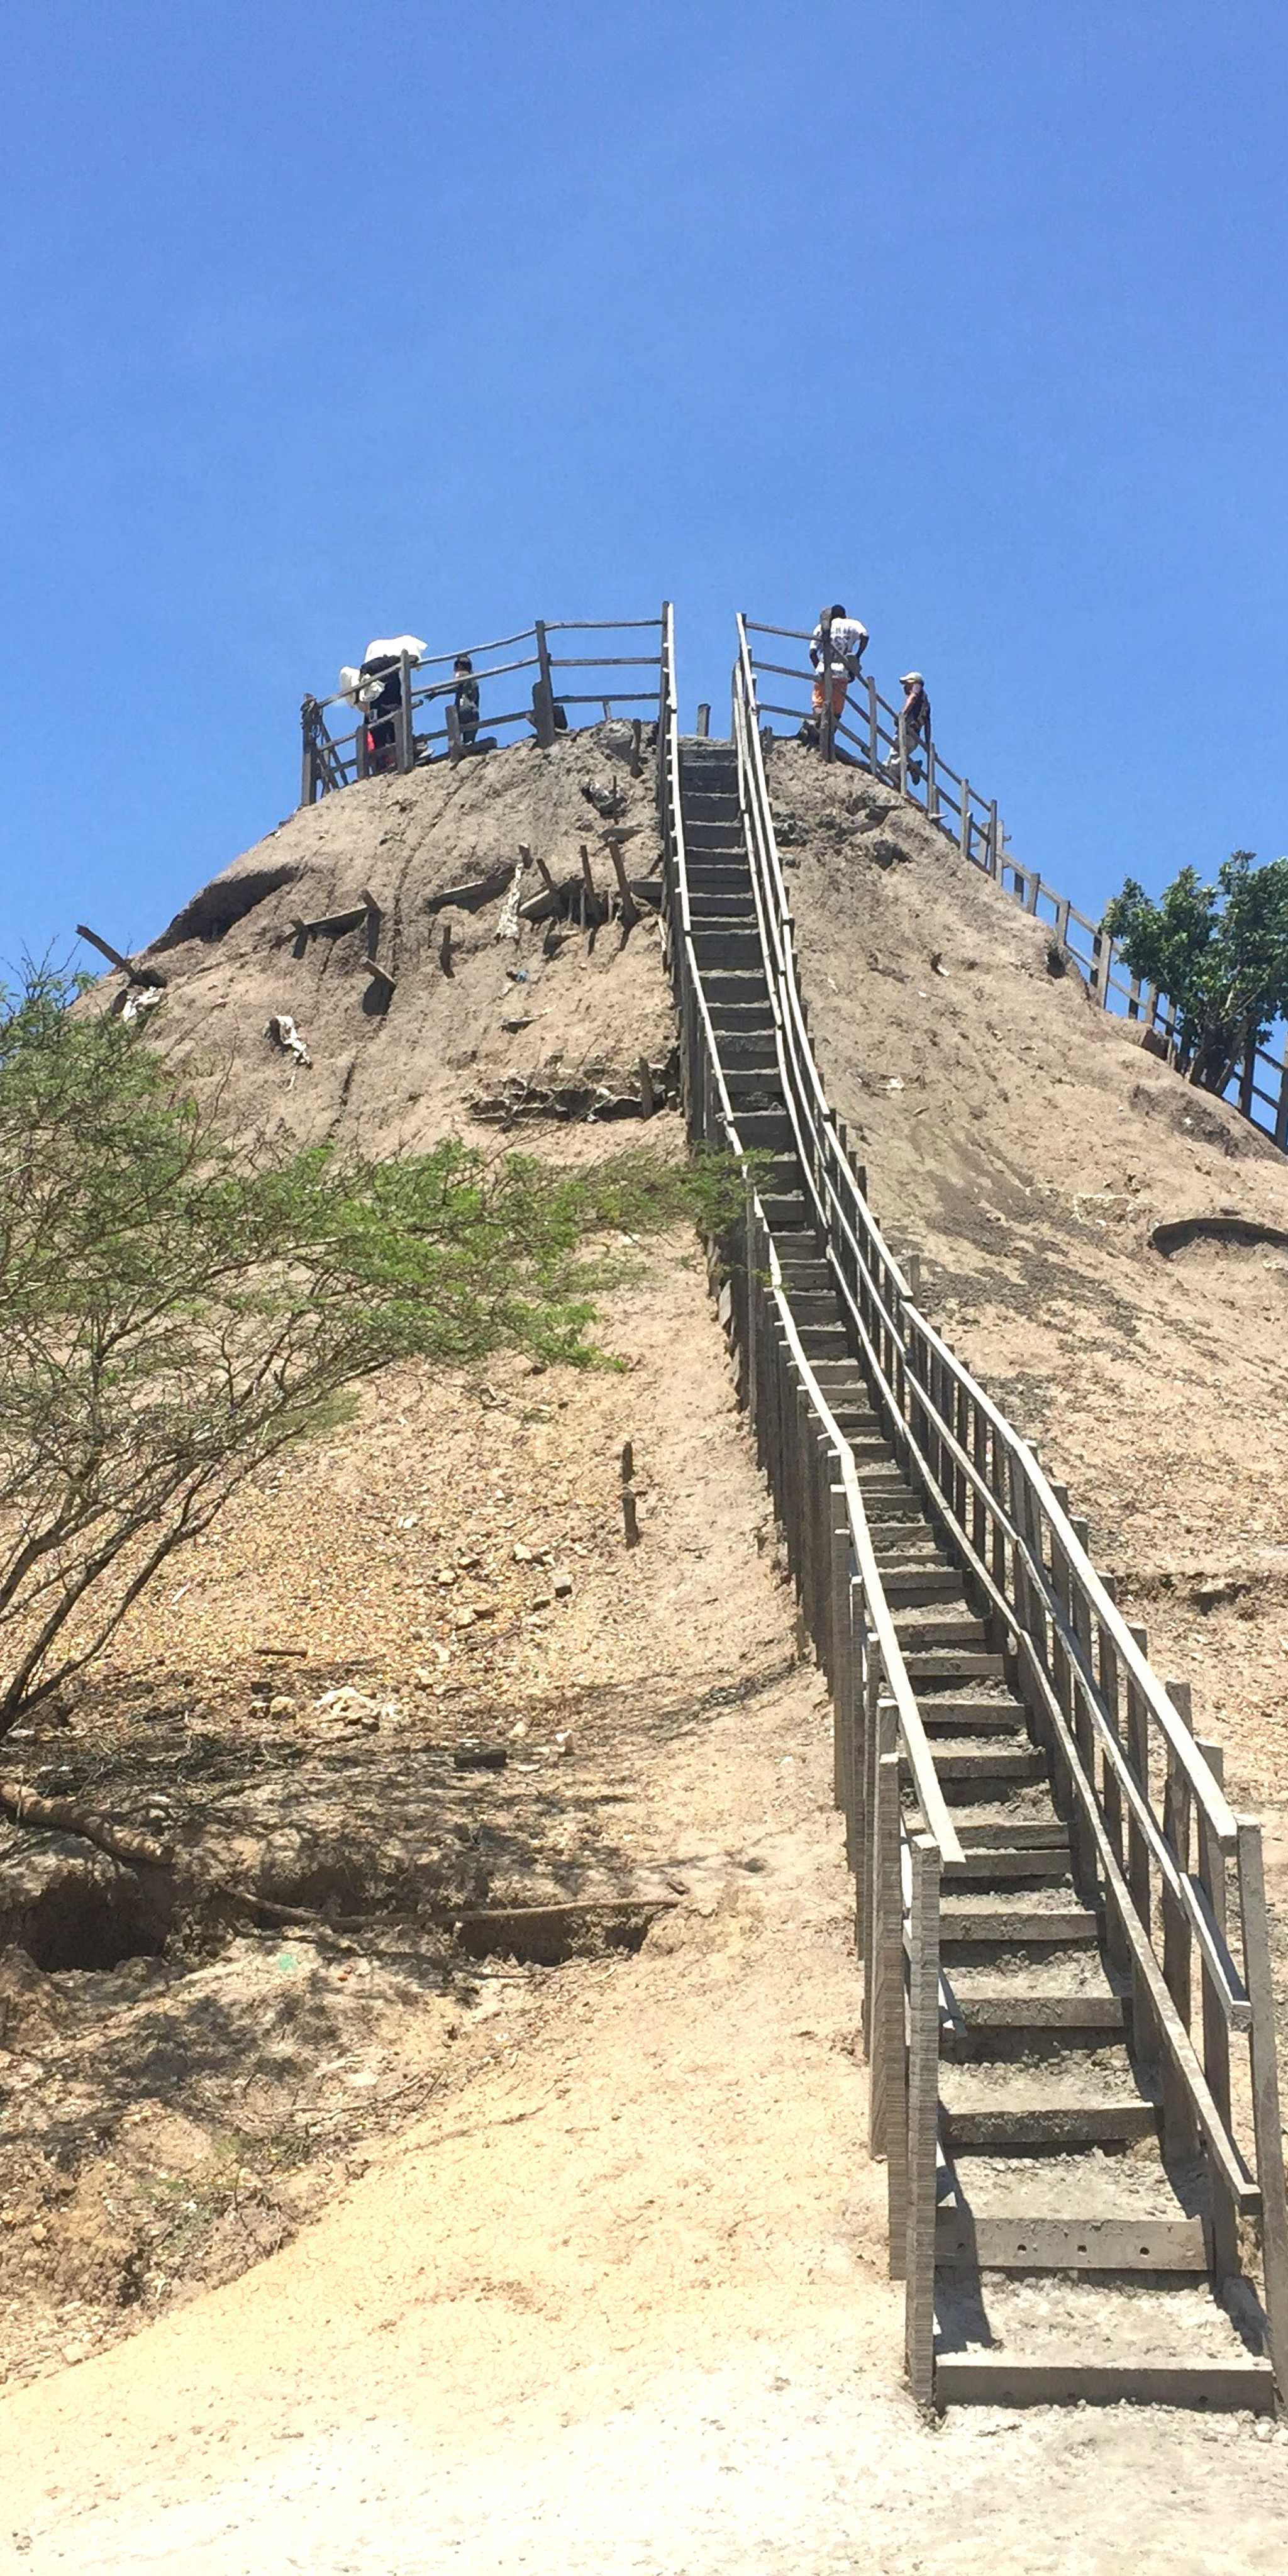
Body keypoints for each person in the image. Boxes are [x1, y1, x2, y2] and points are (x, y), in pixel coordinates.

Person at [799, 604, 869, 747]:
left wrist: (819, 668)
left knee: (819, 703)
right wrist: (857, 656)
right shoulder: (852, 624)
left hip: (825, 669)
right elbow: (865, 636)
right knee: (836, 709)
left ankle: (818, 732)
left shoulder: (821, 627)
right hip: (842, 672)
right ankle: (828, 738)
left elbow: (812, 653)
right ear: (845, 615)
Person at [889, 671, 931, 784]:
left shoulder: (917, 688)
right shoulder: (926, 703)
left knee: (894, 761)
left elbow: (912, 698)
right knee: (893, 761)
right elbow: (928, 725)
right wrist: (927, 744)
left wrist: (902, 715)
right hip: (915, 737)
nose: (904, 687)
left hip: (907, 732)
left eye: (906, 684)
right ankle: (901, 779)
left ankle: (911, 767)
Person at [453, 653, 480, 748]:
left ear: (459, 665)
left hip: (463, 706)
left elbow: (455, 688)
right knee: (470, 742)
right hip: (474, 709)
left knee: (456, 737)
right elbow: (476, 698)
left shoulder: (460, 674)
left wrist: (438, 693)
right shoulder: (473, 679)